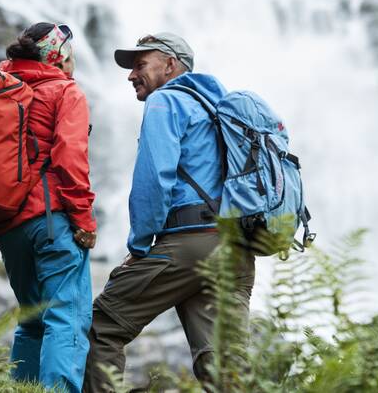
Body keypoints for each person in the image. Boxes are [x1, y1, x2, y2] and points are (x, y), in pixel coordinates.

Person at [83, 32, 255, 392]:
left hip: (190, 243)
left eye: (141, 64)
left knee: (103, 324)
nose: (131, 74)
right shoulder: (214, 106)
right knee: (222, 360)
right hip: (234, 247)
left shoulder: (166, 101)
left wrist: (141, 247)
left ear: (171, 65)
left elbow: (154, 179)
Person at [0, 22, 97, 393]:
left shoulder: (0, 88)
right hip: (51, 221)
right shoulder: (64, 91)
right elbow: (70, 159)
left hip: (7, 226)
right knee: (65, 317)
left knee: (32, 321)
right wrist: (84, 219)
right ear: (59, 56)